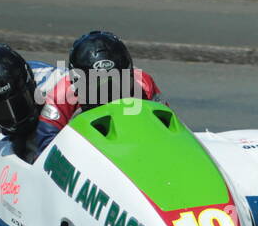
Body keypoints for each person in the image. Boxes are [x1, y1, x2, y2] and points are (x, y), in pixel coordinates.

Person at [37, 31, 165, 150]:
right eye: (99, 87)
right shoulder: (61, 96)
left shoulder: (144, 84)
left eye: (117, 83)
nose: (109, 96)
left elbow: (167, 129)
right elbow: (44, 146)